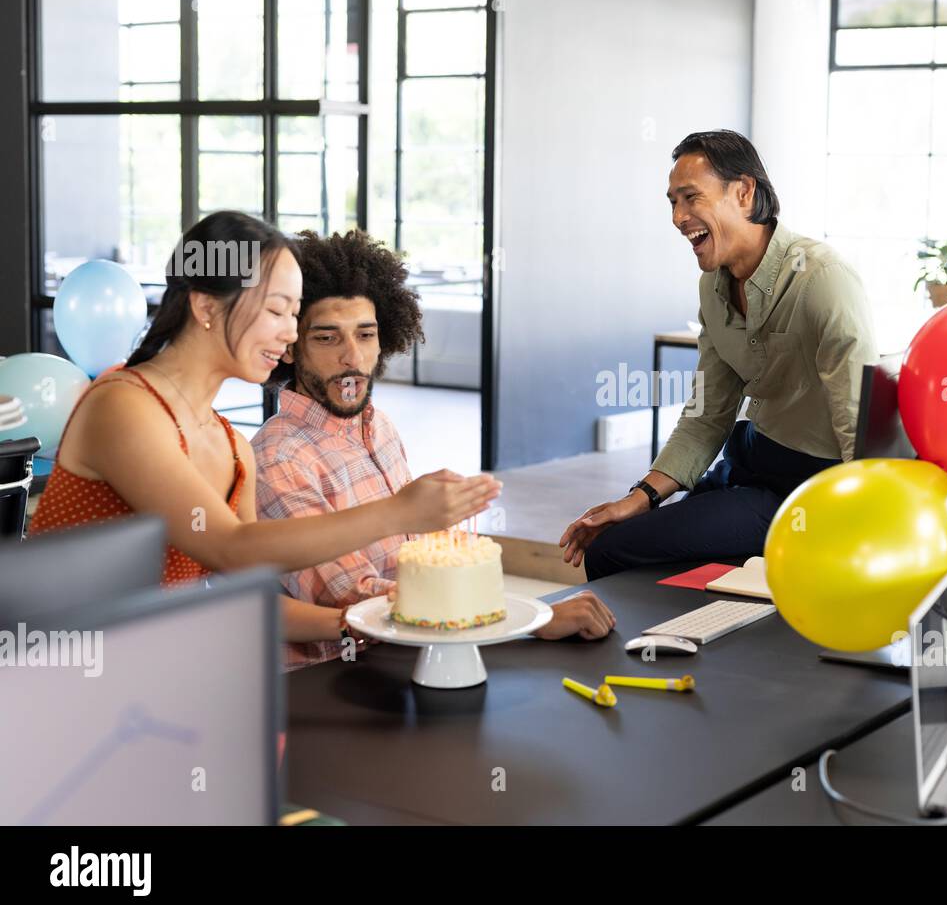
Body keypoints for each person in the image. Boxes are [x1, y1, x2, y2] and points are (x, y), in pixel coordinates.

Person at [29, 211, 500, 650]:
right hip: (65, 673)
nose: (292, 334)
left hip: (152, 672)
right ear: (207, 307)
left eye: (295, 315)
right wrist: (399, 512)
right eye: (278, 311)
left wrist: (354, 623)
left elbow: (245, 587)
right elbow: (230, 548)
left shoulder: (232, 447)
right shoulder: (123, 405)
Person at [254, 229, 615, 667]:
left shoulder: (378, 427)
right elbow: (352, 595)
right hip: (345, 675)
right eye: (328, 338)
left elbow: (422, 559)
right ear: (290, 347)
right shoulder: (279, 460)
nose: (352, 356)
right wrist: (528, 619)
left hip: (416, 651)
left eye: (365, 335)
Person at [560, 130, 877, 580]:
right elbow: (708, 413)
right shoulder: (713, 287)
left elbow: (858, 418)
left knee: (615, 552)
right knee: (635, 544)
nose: (677, 216)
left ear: (744, 192)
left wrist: (860, 528)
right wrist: (638, 498)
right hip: (748, 462)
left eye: (690, 198)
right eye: (672, 201)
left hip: (806, 488)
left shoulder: (822, 278)